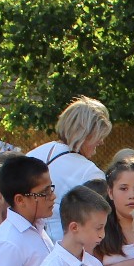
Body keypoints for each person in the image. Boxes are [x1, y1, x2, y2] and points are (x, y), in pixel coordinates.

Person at [28, 97, 112, 238]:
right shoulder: (90, 172)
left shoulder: (31, 155)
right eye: (99, 135)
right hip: (66, 245)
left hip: (28, 239)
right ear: (85, 134)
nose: (101, 142)